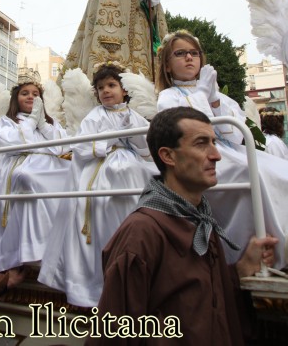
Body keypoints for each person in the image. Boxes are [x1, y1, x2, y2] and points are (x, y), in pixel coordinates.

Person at [87, 107, 278, 346]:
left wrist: (238, 271)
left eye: (213, 142)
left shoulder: (200, 220)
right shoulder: (141, 234)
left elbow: (199, 297)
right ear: (168, 156)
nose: (216, 155)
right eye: (201, 143)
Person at [155, 30, 288, 267]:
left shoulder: (219, 96)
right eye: (180, 53)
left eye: (194, 53)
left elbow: (235, 136)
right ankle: (253, 249)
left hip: (231, 151)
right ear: (167, 65)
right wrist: (201, 95)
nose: (189, 58)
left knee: (281, 170)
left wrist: (215, 100)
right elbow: (190, 130)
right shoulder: (168, 96)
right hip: (198, 156)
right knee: (251, 174)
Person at [39, 63, 157, 307]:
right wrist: (108, 141)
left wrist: (134, 134)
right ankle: (93, 284)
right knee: (100, 208)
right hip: (101, 167)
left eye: (111, 85)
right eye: (101, 87)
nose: (106, 91)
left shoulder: (134, 115)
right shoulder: (95, 116)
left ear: (124, 90)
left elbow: (146, 148)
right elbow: (82, 147)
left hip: (132, 165)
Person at [0, 71, 70, 273]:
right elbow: (15, 143)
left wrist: (43, 125)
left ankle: (54, 247)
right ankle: (26, 250)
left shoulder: (50, 122)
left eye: (35, 94)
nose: (30, 97)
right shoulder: (9, 121)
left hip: (48, 168)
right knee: (28, 178)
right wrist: (30, 122)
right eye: (25, 93)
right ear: (16, 99)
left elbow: (61, 148)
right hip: (21, 166)